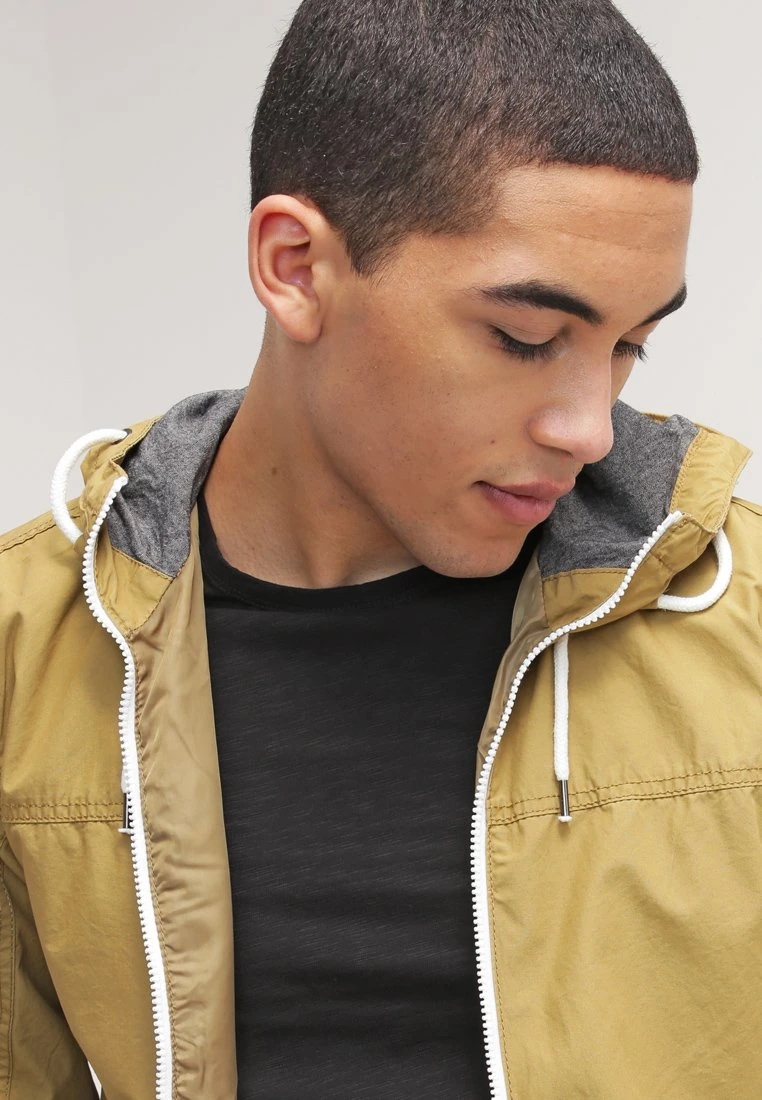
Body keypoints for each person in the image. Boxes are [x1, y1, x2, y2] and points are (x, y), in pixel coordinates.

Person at [1, 0, 760, 1096]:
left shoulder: (747, 620)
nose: (589, 428)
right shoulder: (29, 649)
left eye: (629, 343)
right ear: (296, 266)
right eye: (527, 338)